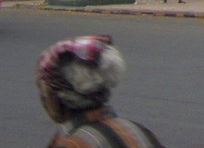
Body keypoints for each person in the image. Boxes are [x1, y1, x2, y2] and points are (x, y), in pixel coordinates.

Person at [36, 34, 165, 148]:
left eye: (43, 90)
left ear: (56, 95)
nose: (42, 99)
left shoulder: (73, 143)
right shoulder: (139, 132)